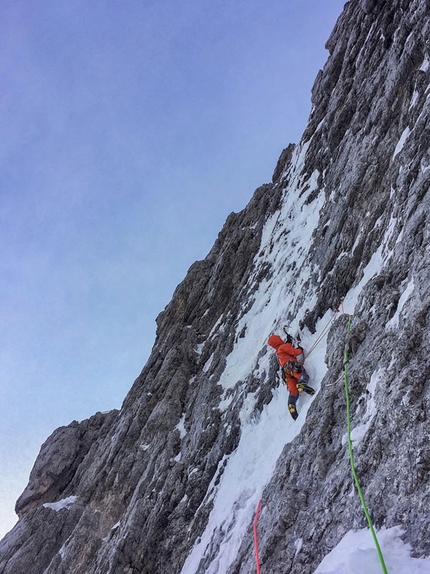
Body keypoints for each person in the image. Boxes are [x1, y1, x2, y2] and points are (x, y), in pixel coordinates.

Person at [268, 334, 315, 420]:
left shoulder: (277, 352)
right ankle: (302, 384)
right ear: (278, 340)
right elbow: (295, 352)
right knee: (302, 375)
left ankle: (291, 404)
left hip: (286, 373)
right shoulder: (283, 346)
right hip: (291, 366)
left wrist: (288, 342)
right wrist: (300, 349)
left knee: (293, 389)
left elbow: (286, 349)